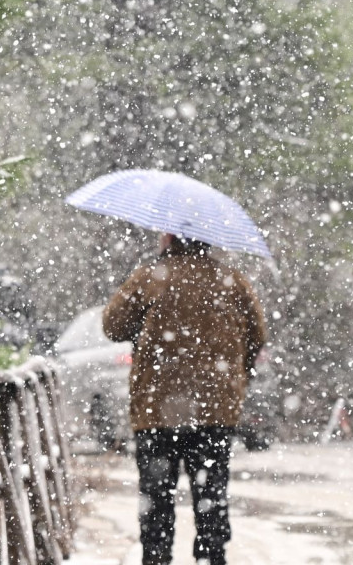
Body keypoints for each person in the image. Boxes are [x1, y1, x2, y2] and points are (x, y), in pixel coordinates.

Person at [103, 233, 267, 565]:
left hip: (157, 410)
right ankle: (211, 556)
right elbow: (256, 336)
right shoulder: (231, 280)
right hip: (215, 410)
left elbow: (113, 326)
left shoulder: (150, 277)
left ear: (169, 237)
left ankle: (157, 557)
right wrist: (236, 375)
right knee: (211, 498)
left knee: (156, 501)